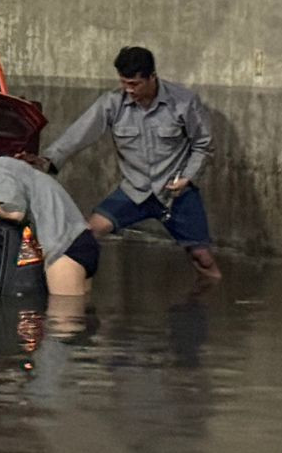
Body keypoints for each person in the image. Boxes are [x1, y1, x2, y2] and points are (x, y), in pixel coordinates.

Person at [26, 46, 219, 281]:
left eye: (135, 84)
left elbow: (203, 145)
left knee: (202, 257)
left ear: (152, 77)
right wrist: (48, 160)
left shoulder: (183, 102)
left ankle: (214, 296)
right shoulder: (112, 103)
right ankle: (70, 289)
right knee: (86, 236)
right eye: (124, 82)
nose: (129, 89)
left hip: (175, 192)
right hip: (134, 191)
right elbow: (79, 134)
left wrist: (187, 178)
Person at [0, 156, 101, 297]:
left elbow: (15, 213)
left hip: (64, 250)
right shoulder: (15, 170)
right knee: (81, 310)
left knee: (63, 312)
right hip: (81, 240)